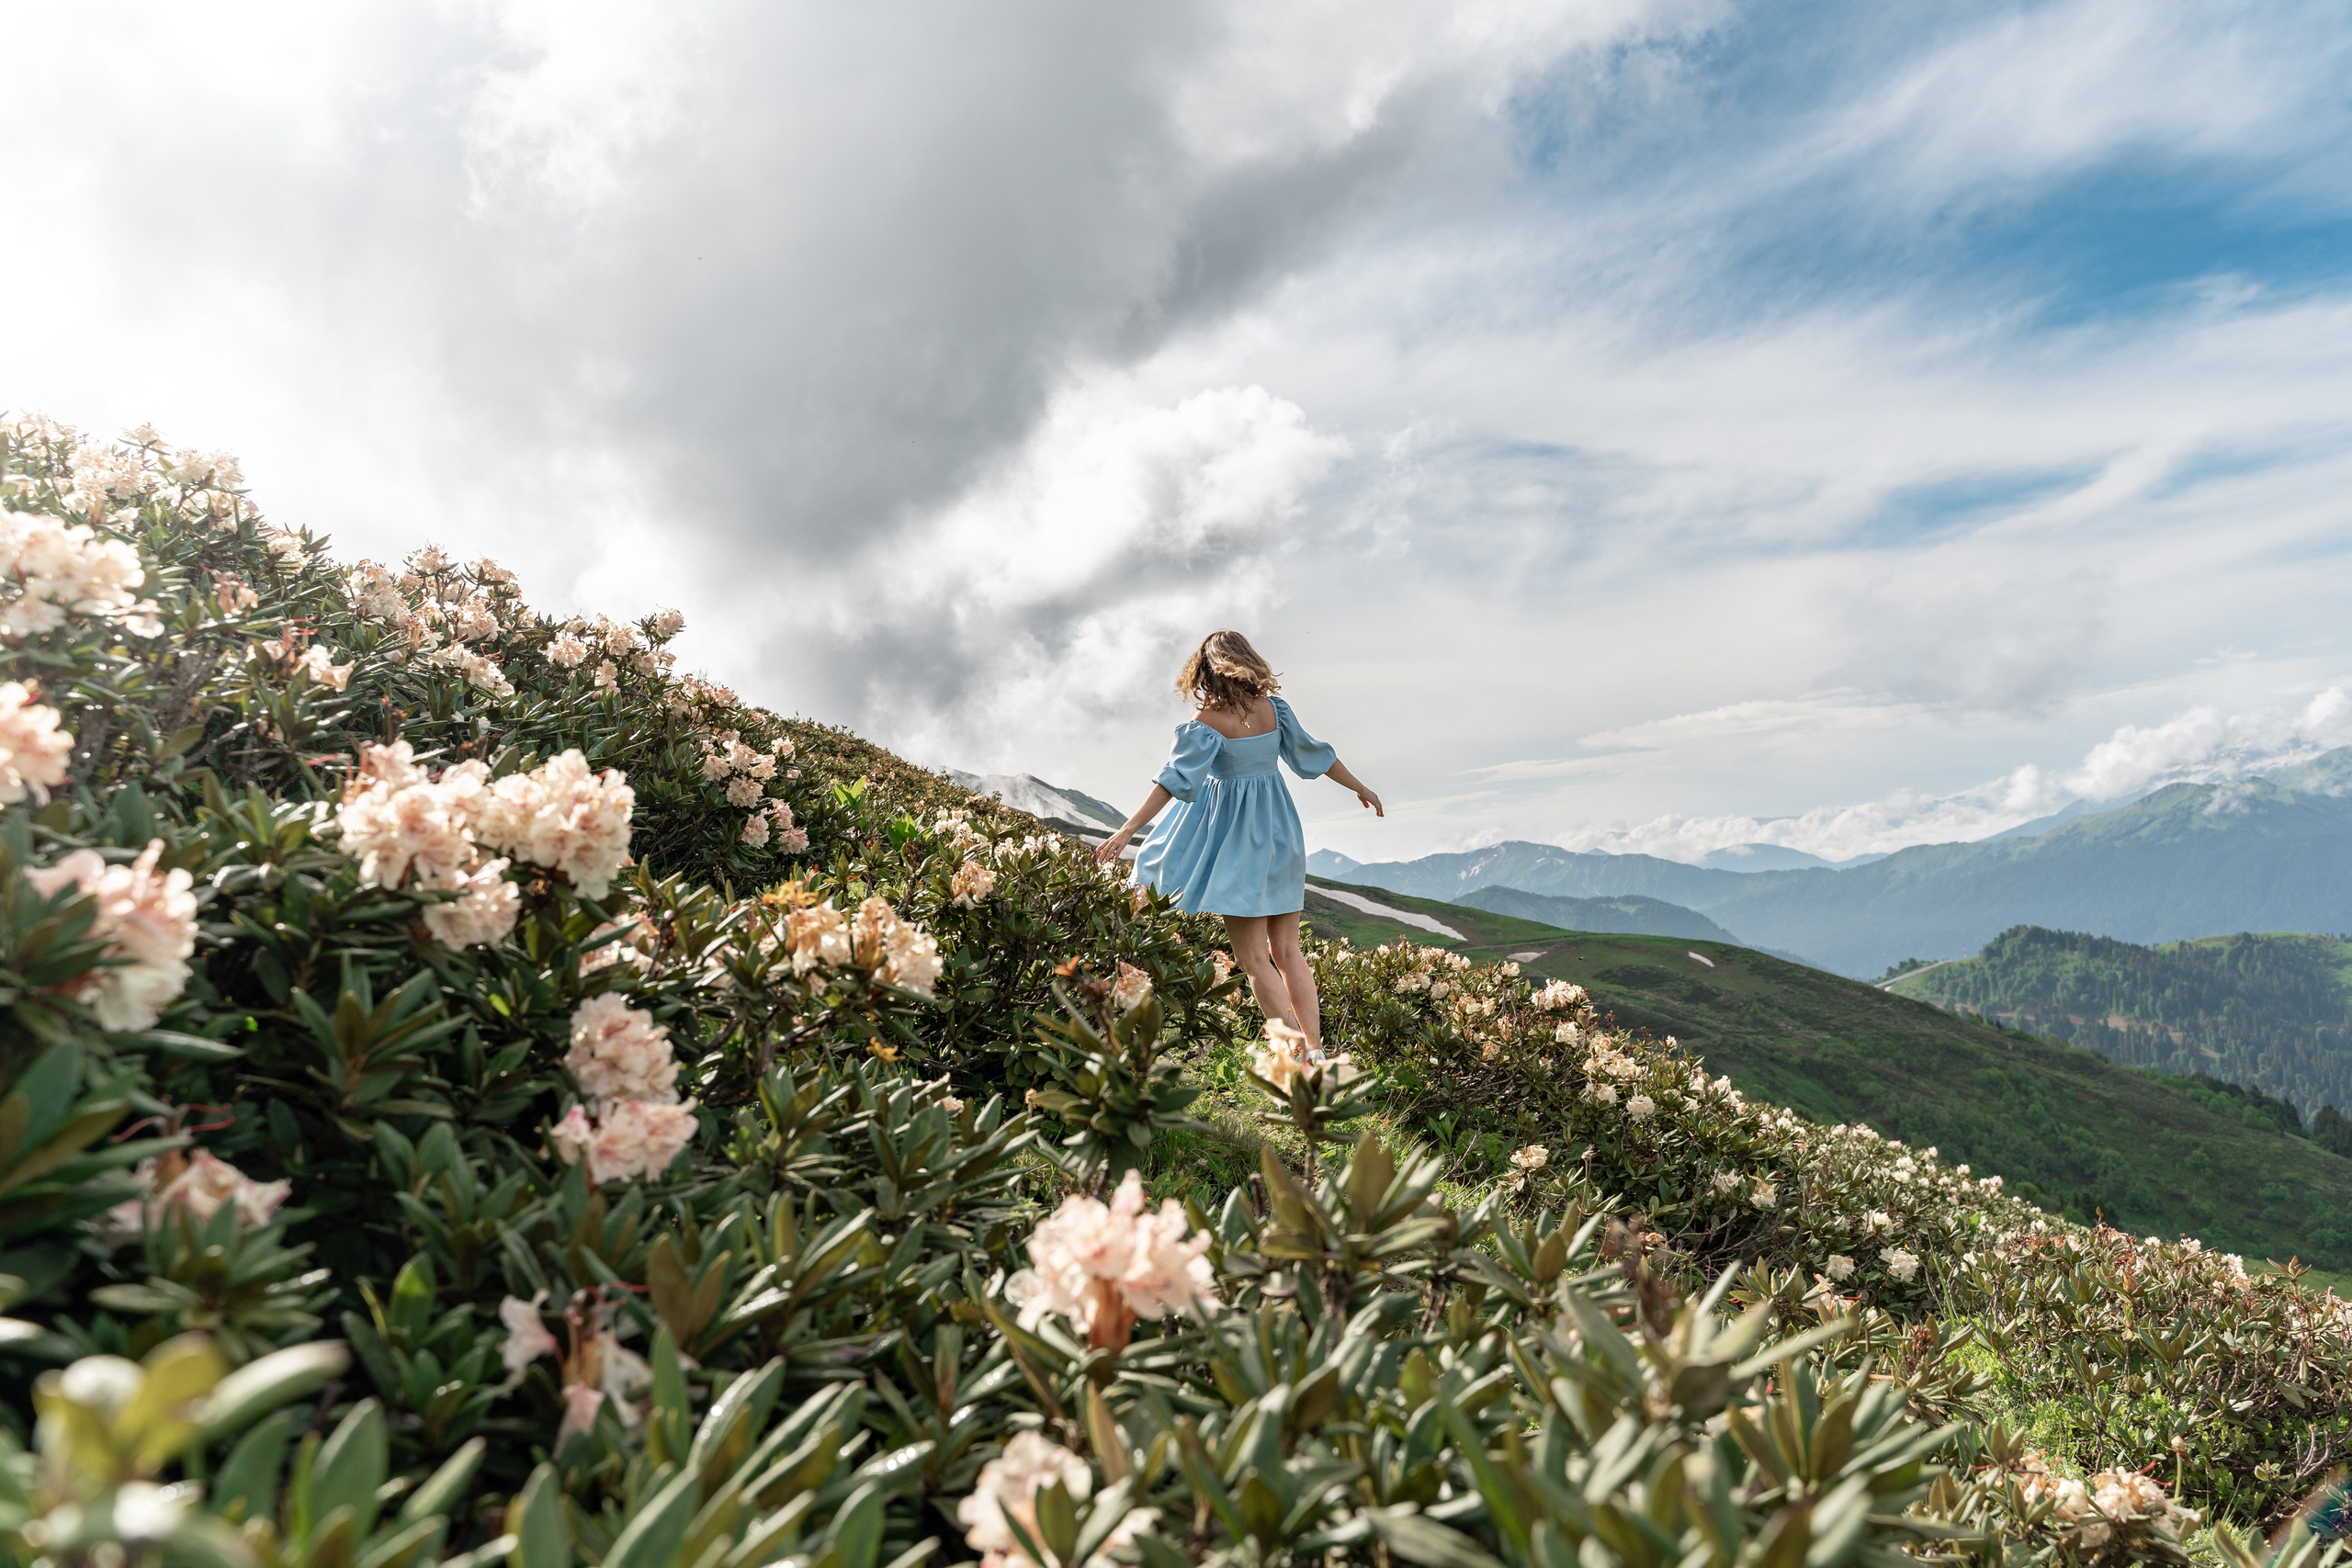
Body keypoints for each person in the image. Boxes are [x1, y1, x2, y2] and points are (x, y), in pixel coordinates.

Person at [1092, 630, 1382, 1053]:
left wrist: (1127, 830)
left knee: (1254, 961)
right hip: (1280, 833)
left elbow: (1172, 783)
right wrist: (1360, 787)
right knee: (1288, 951)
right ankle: (1315, 1052)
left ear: (1205, 672)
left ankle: (1297, 1058)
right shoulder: (1275, 711)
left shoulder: (1206, 724)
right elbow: (1317, 756)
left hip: (1236, 845)